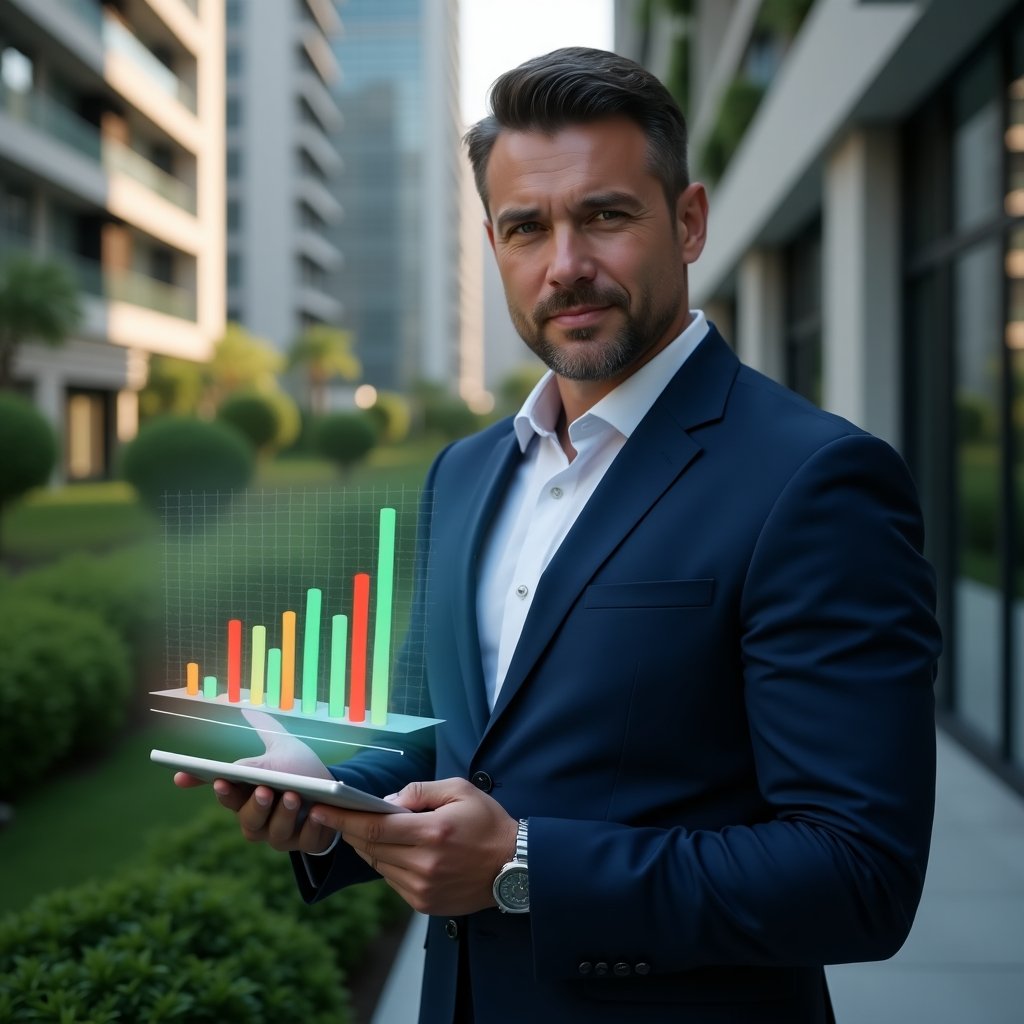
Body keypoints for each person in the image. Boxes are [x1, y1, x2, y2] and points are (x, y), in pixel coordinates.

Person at [177, 46, 941, 1023]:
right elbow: (449, 745)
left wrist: (524, 864)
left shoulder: (817, 480)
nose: (565, 265)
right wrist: (329, 798)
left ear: (689, 221)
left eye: (605, 215)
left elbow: (859, 873)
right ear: (493, 243)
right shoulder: (464, 473)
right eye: (527, 227)